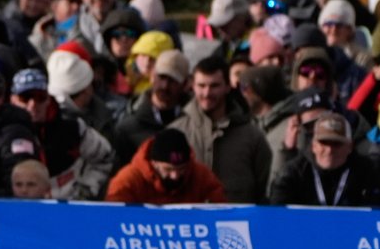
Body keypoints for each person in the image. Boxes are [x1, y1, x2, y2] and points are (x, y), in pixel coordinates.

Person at [172, 52, 271, 203]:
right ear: (192, 86)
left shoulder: (251, 136)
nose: (207, 93)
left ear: (227, 87)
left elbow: (264, 189)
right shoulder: (176, 132)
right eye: (201, 86)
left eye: (214, 86)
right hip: (190, 222)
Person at [9, 65, 113, 199]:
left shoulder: (72, 126)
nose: (33, 104)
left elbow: (105, 157)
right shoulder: (1, 130)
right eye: (25, 97)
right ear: (12, 99)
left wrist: (85, 189)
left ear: (48, 98)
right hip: (16, 208)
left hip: (68, 207)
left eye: (40, 97)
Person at [270, 111, 380, 205]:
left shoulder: (368, 172)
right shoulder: (293, 173)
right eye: (324, 142)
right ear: (313, 146)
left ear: (349, 147)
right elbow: (277, 215)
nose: (329, 150)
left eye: (336, 143)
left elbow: (378, 212)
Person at [105, 126, 225, 203]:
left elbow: (219, 207)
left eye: (181, 169)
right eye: (168, 169)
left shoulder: (201, 176)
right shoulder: (128, 180)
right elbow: (115, 217)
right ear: (154, 163)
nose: (175, 175)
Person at [112, 45, 187, 165]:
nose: (165, 86)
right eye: (161, 77)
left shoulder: (195, 124)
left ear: (185, 84)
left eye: (172, 80)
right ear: (152, 77)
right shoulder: (127, 127)